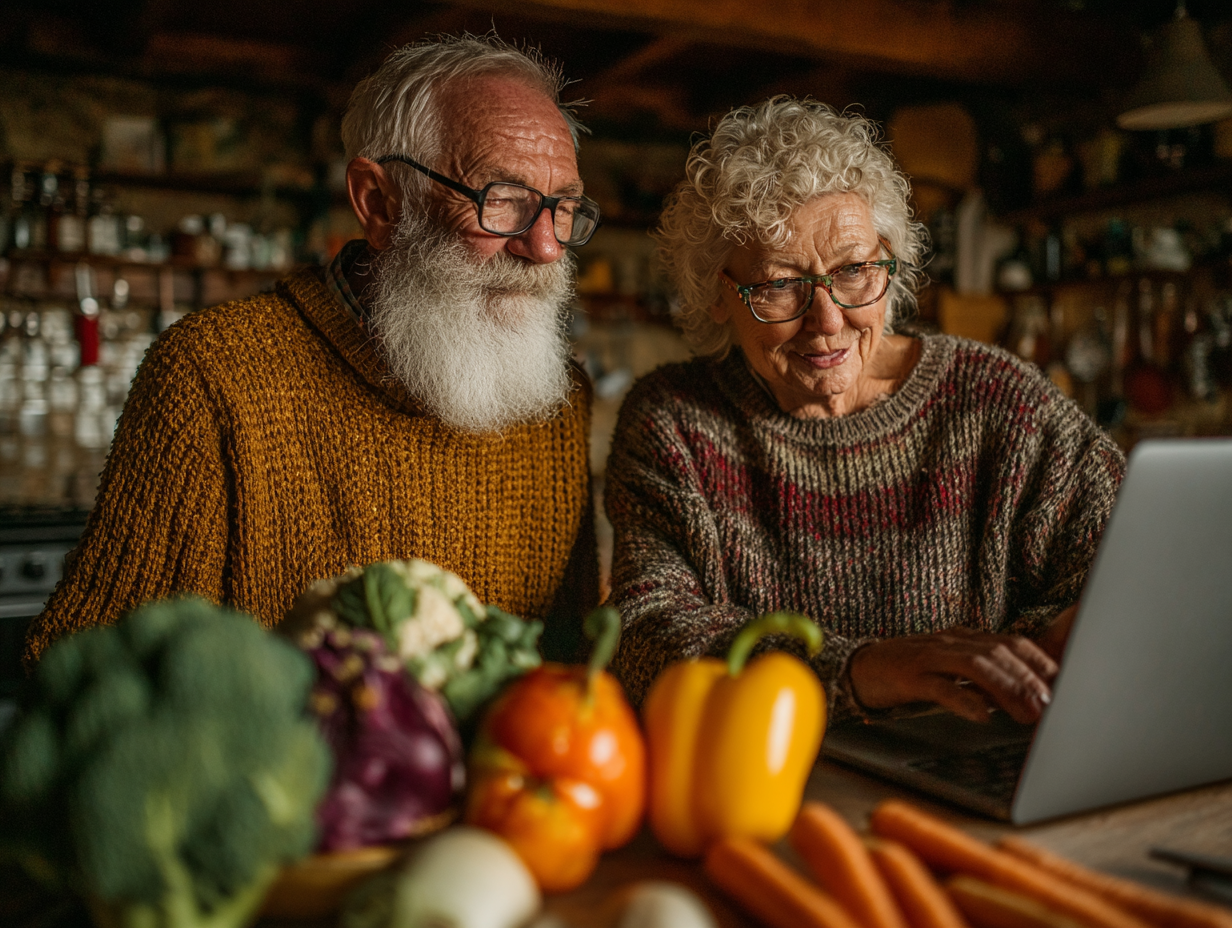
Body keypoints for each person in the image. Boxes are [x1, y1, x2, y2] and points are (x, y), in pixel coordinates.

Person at [24, 35, 601, 667]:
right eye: (505, 201)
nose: (546, 247)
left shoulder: (559, 404)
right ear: (379, 203)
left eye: (564, 208)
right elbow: (81, 683)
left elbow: (571, 675)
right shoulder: (212, 378)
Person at [605, 97, 1125, 725]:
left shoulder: (999, 402)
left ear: (889, 259)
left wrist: (1023, 655)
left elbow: (1126, 565)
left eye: (854, 271)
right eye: (778, 285)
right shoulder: (675, 423)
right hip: (757, 780)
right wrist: (860, 670)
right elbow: (647, 638)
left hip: (983, 758)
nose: (827, 322)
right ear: (719, 294)